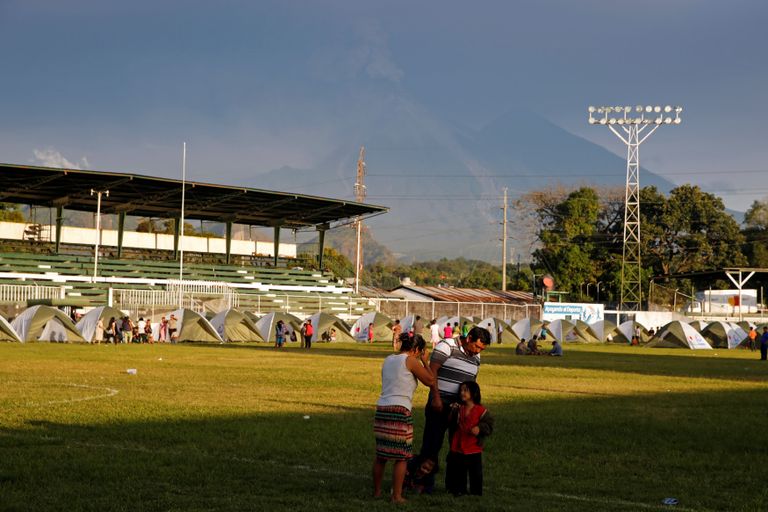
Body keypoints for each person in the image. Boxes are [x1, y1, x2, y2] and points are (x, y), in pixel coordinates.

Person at [418, 326, 490, 491]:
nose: (478, 350)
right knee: (432, 444)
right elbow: (432, 372)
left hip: (460, 409)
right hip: (439, 403)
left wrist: (469, 407)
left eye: (481, 348)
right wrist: (436, 397)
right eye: (477, 346)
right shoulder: (447, 346)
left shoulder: (476, 356)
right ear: (469, 338)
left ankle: (454, 485)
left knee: (457, 447)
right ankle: (423, 482)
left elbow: (471, 383)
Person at [373, 334, 435, 504]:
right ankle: (397, 496)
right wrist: (425, 361)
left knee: (381, 455)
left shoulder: (388, 359)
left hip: (383, 407)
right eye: (419, 351)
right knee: (402, 456)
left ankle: (377, 492)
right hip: (400, 409)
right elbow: (430, 380)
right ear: (415, 349)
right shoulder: (410, 360)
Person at [445, 381, 493, 496]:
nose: (462, 393)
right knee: (459, 470)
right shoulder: (458, 408)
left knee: (475, 472)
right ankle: (459, 490)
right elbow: (450, 423)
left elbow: (489, 425)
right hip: (458, 445)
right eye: (461, 390)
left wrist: (479, 428)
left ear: (474, 393)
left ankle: (476, 492)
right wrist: (452, 412)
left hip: (473, 447)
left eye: (465, 390)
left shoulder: (481, 410)